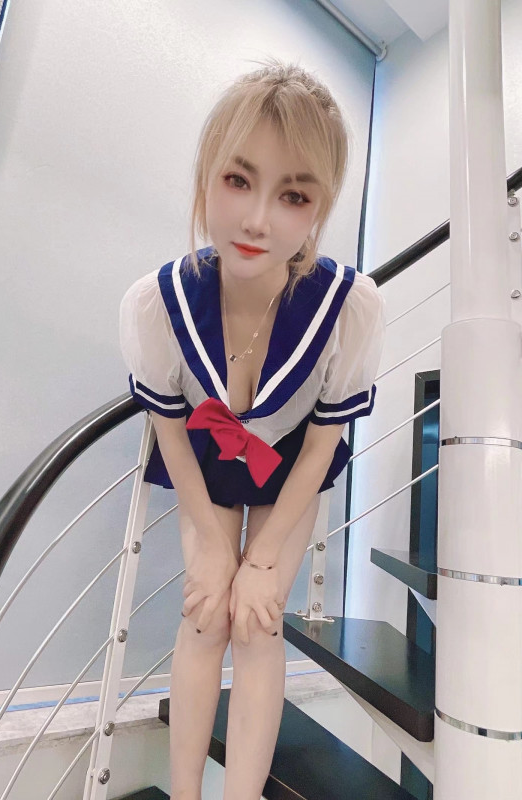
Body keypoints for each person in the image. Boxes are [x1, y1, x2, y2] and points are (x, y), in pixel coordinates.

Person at [119, 57, 386, 800]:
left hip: (291, 464)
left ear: (319, 207)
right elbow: (170, 428)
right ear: (206, 176)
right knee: (205, 612)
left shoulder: (349, 308)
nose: (258, 219)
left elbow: (325, 441)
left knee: (257, 622)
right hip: (202, 460)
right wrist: (212, 544)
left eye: (293, 194)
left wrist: (262, 559)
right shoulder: (158, 302)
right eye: (238, 180)